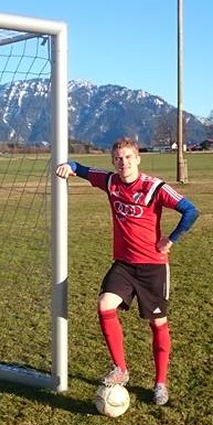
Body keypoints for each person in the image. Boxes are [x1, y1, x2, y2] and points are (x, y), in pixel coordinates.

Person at [55, 137, 199, 405]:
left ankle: (160, 383)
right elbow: (82, 169)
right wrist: (69, 165)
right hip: (123, 264)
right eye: (118, 159)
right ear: (113, 161)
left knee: (157, 323)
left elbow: (190, 211)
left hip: (153, 266)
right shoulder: (110, 182)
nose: (124, 163)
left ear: (138, 159)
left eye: (129, 157)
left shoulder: (155, 187)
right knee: (104, 306)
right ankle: (120, 369)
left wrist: (170, 239)